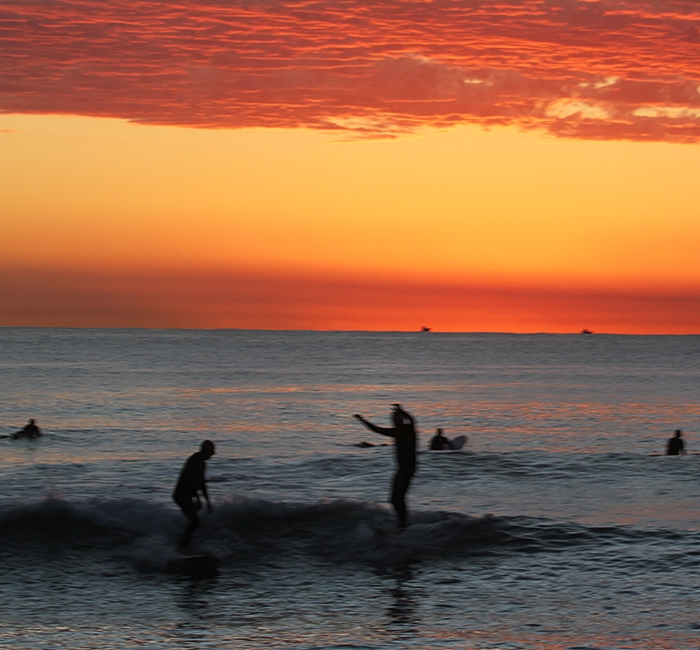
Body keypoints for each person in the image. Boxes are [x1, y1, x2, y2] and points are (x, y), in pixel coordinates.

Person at [354, 404, 417, 529]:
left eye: (397, 419)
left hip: (407, 468)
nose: (394, 422)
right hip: (403, 468)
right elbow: (375, 429)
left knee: (396, 498)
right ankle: (402, 523)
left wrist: (402, 411)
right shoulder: (397, 431)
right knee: (395, 498)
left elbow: (411, 420)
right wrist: (362, 420)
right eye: (393, 420)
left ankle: (403, 525)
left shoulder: (407, 430)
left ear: (401, 420)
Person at [173, 440, 216, 549]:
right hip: (181, 495)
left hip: (187, 495)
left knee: (194, 520)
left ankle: (184, 542)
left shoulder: (202, 463)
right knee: (195, 521)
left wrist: (208, 501)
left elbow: (202, 484)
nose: (213, 453)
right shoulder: (194, 461)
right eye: (211, 450)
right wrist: (197, 499)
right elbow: (190, 482)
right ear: (205, 450)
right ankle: (182, 545)